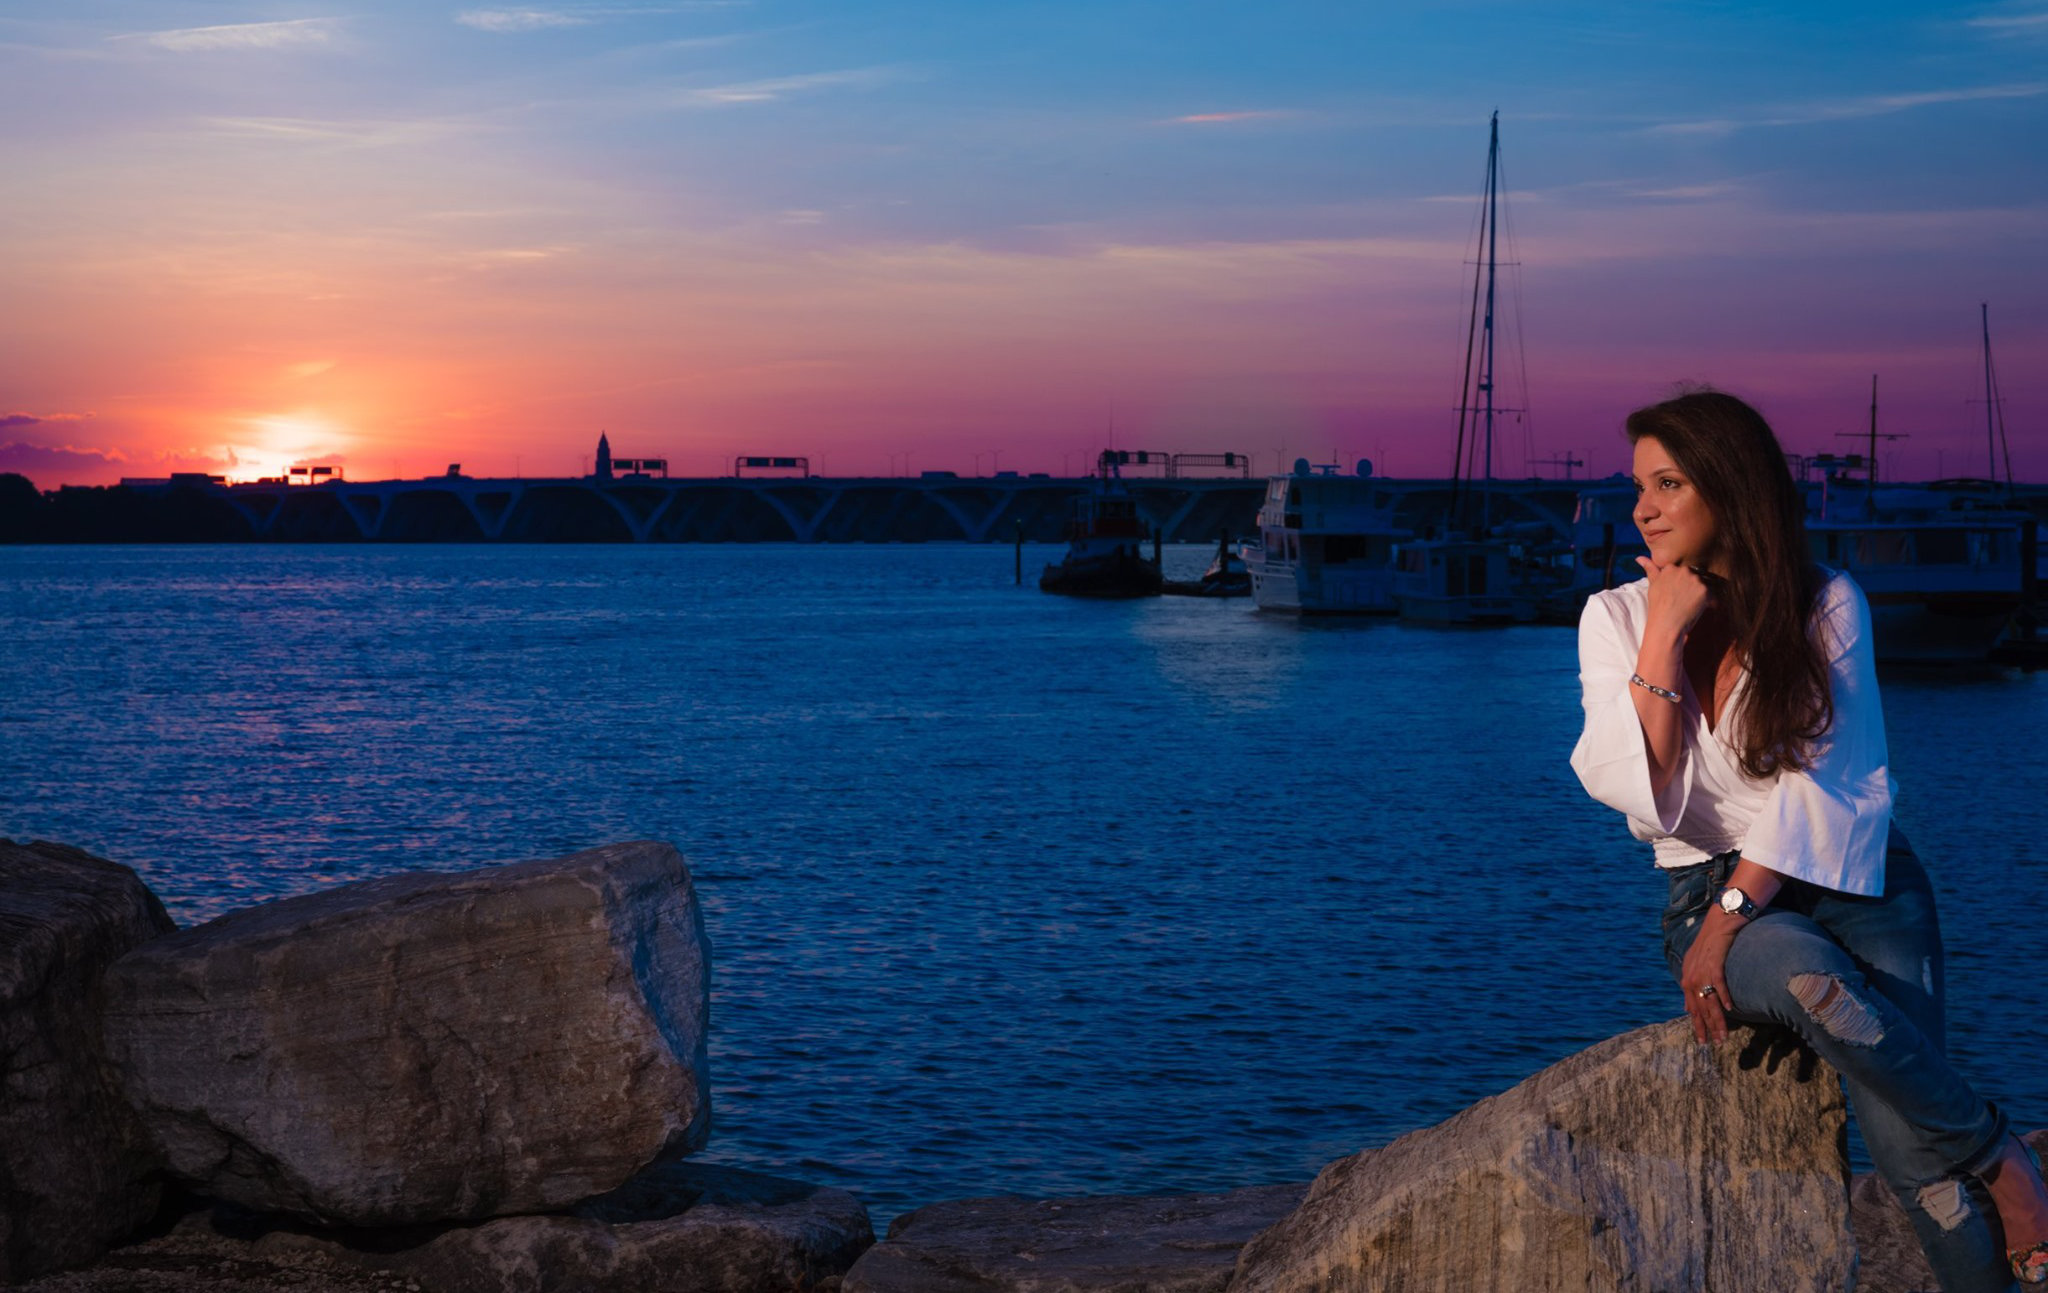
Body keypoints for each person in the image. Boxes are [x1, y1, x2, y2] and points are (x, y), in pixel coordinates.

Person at [1569, 389, 2048, 1291]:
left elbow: (1827, 782)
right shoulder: (1617, 619)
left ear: (1730, 487)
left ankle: (1985, 1202)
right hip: (1710, 886)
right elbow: (1638, 786)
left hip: (1862, 878)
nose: (1643, 507)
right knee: (1806, 979)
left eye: (1668, 483)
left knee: (1913, 1159)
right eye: (1638, 485)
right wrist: (1666, 632)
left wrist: (1732, 913)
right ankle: (2007, 1156)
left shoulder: (1826, 601)